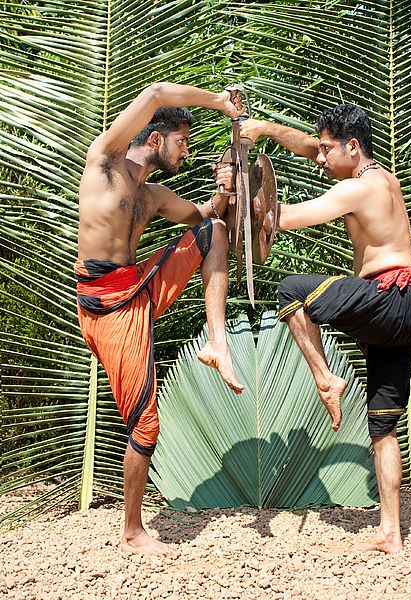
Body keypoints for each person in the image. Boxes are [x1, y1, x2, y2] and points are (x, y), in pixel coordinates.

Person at [239, 104, 411, 554]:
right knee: (383, 427)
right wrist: (265, 128)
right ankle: (391, 532)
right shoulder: (379, 176)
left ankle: (326, 380)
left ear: (353, 146)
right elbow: (311, 147)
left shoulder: (358, 188)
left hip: (390, 298)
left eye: (329, 150)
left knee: (291, 291)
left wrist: (236, 197)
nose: (320, 159)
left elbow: (280, 218)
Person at [75, 82, 245, 556]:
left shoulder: (153, 195)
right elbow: (153, 94)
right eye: (182, 141)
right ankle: (132, 531)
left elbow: (206, 216)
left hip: (138, 286)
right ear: (156, 138)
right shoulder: (104, 163)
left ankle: (218, 342)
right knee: (145, 425)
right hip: (106, 306)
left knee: (212, 231)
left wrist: (224, 190)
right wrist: (219, 102)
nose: (186, 152)